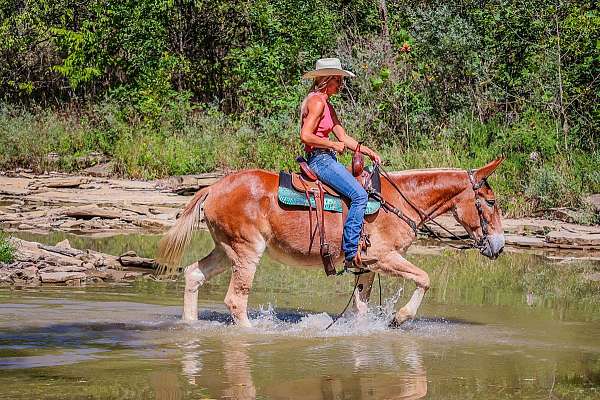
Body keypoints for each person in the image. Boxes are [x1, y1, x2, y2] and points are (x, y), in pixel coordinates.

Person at [300, 57, 382, 268]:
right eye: (338, 80)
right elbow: (306, 136)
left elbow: (344, 138)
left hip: (326, 157)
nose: (341, 85)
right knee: (359, 195)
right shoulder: (317, 102)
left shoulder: (327, 105)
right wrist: (330, 145)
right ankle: (351, 251)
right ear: (328, 79)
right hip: (320, 159)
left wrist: (366, 150)